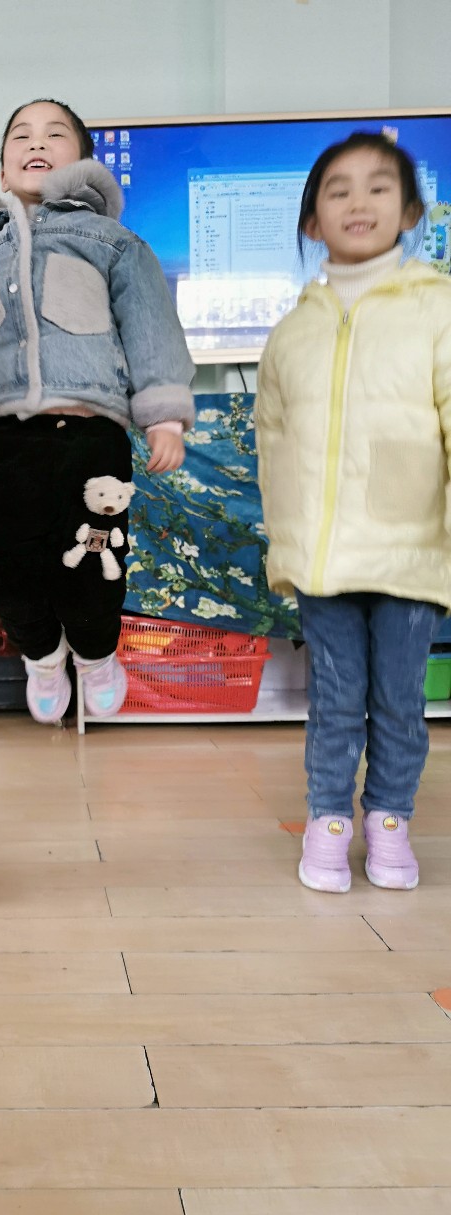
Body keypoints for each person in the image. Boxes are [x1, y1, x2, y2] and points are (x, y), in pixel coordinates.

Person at [0, 99, 194, 724]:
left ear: (82, 162)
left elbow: (151, 325)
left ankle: (97, 654)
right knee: (8, 569)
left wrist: (163, 414)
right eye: (21, 136)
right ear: (3, 172)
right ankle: (43, 656)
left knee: (92, 562)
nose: (37, 142)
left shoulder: (110, 242)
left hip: (89, 434)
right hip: (3, 440)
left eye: (55, 134)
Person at [255, 131, 451, 894]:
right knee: (335, 699)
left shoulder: (437, 308)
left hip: (410, 547)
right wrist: (285, 541)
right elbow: (273, 444)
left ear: (410, 212)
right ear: (312, 221)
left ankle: (391, 821)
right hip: (322, 556)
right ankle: (329, 821)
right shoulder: (292, 330)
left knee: (399, 700)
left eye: (378, 187)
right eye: (338, 190)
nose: (358, 202)